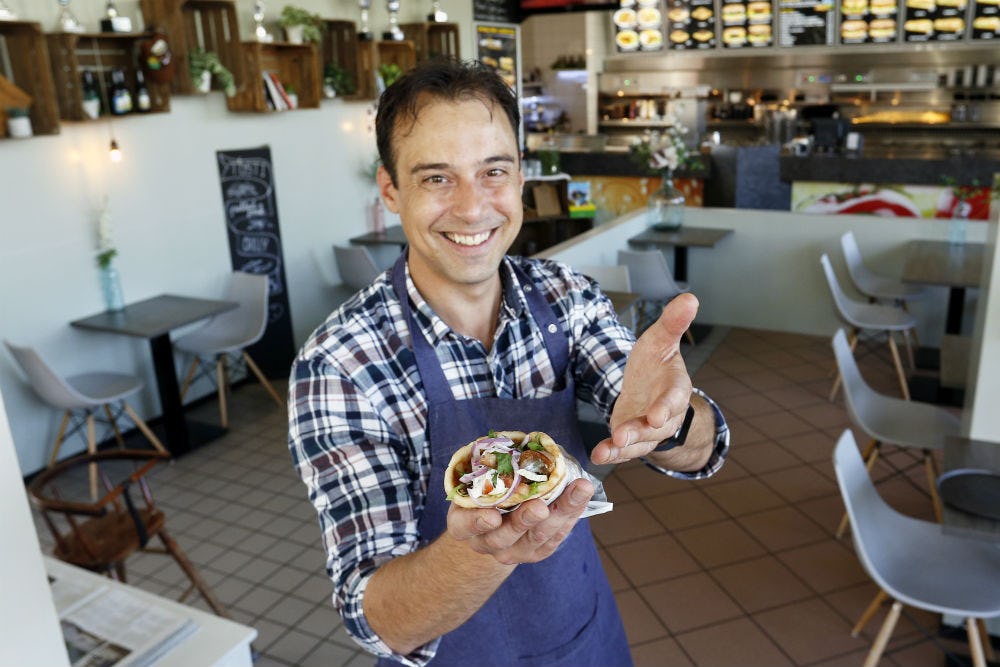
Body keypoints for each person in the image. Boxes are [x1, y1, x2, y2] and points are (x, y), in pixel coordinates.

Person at [288, 57, 729, 667]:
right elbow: (377, 618)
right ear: (391, 190)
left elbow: (700, 452)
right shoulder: (341, 364)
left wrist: (670, 422)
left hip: (583, 638)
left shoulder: (565, 299)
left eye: (492, 171)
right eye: (436, 178)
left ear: (520, 176)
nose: (473, 209)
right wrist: (486, 550)